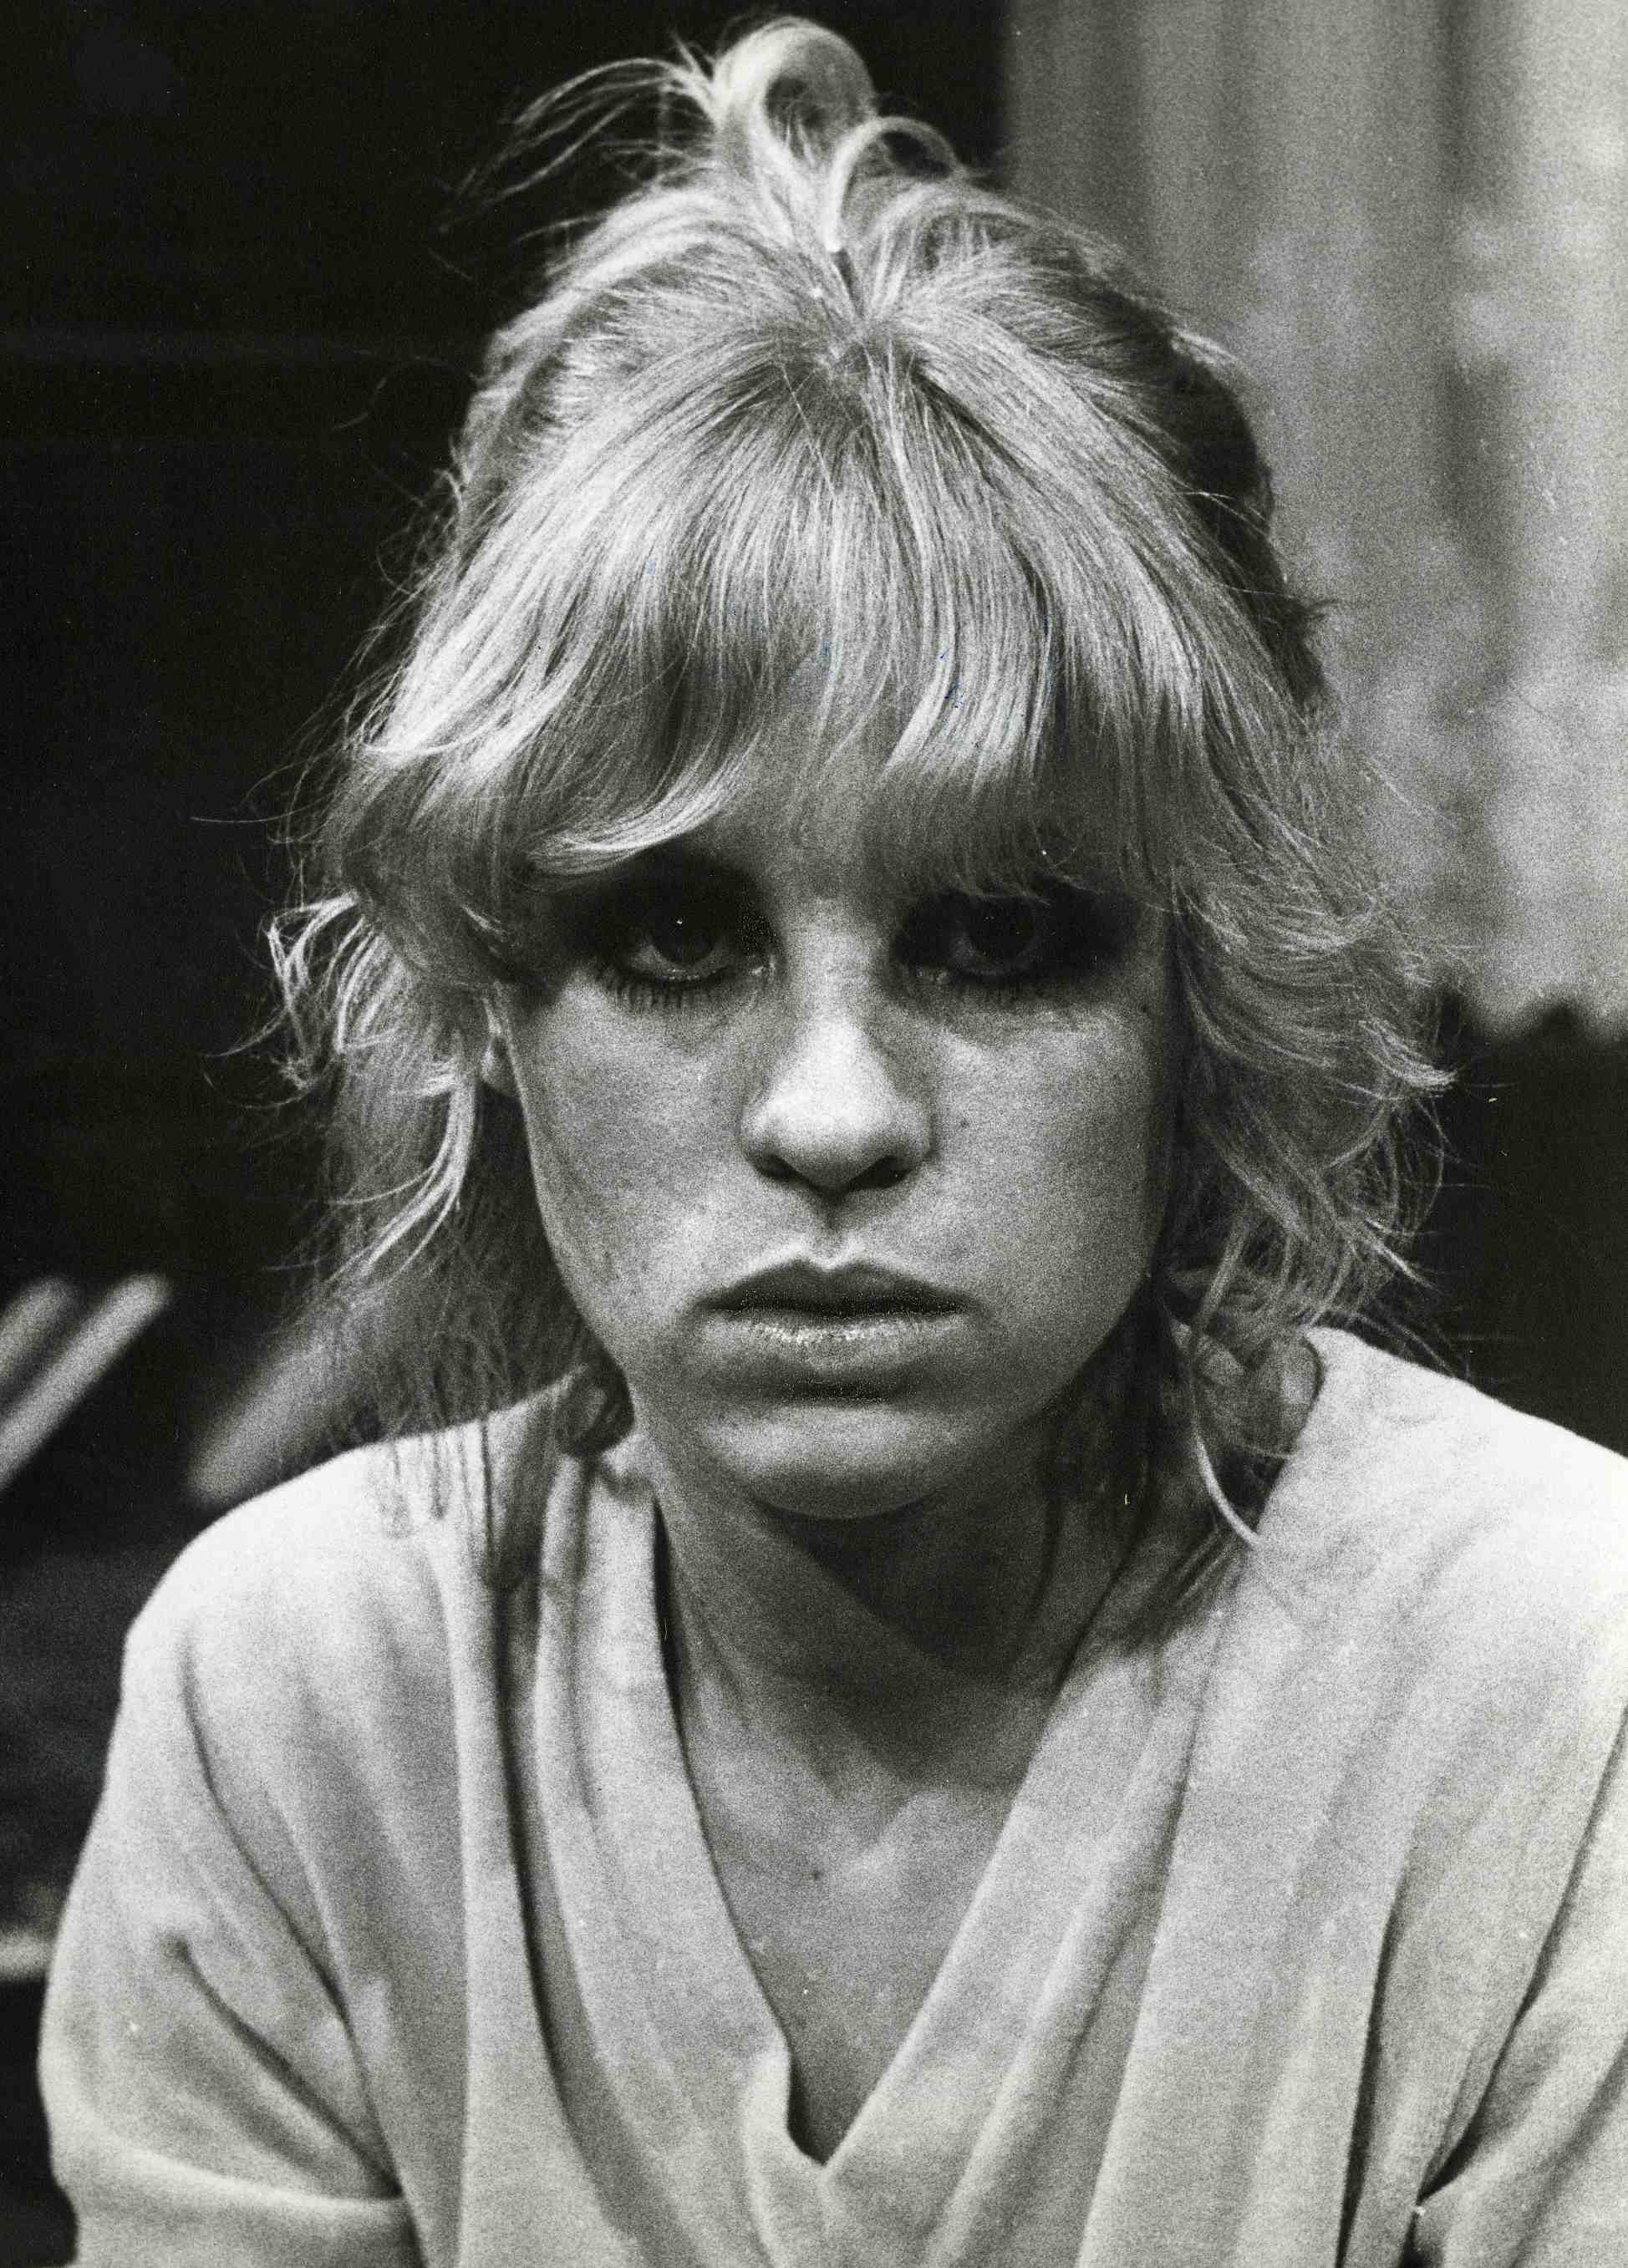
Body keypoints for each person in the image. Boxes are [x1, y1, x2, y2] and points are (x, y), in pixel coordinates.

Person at [38, 19, 1628, 2265]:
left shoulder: (1556, 1683)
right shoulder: (300, 1700)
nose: (834, 1113)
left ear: (1202, 995)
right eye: (675, 934)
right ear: (485, 994)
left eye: (1001, 936)